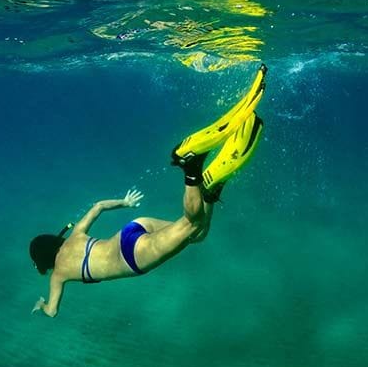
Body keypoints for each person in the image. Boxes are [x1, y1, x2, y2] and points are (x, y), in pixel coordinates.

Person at [30, 65, 266, 318]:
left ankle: (190, 166)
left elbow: (53, 312)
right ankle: (207, 191)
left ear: (42, 261)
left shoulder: (58, 275)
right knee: (197, 234)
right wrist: (125, 202)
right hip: (132, 230)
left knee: (190, 224)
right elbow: (98, 206)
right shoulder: (75, 234)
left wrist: (41, 304)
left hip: (133, 256)